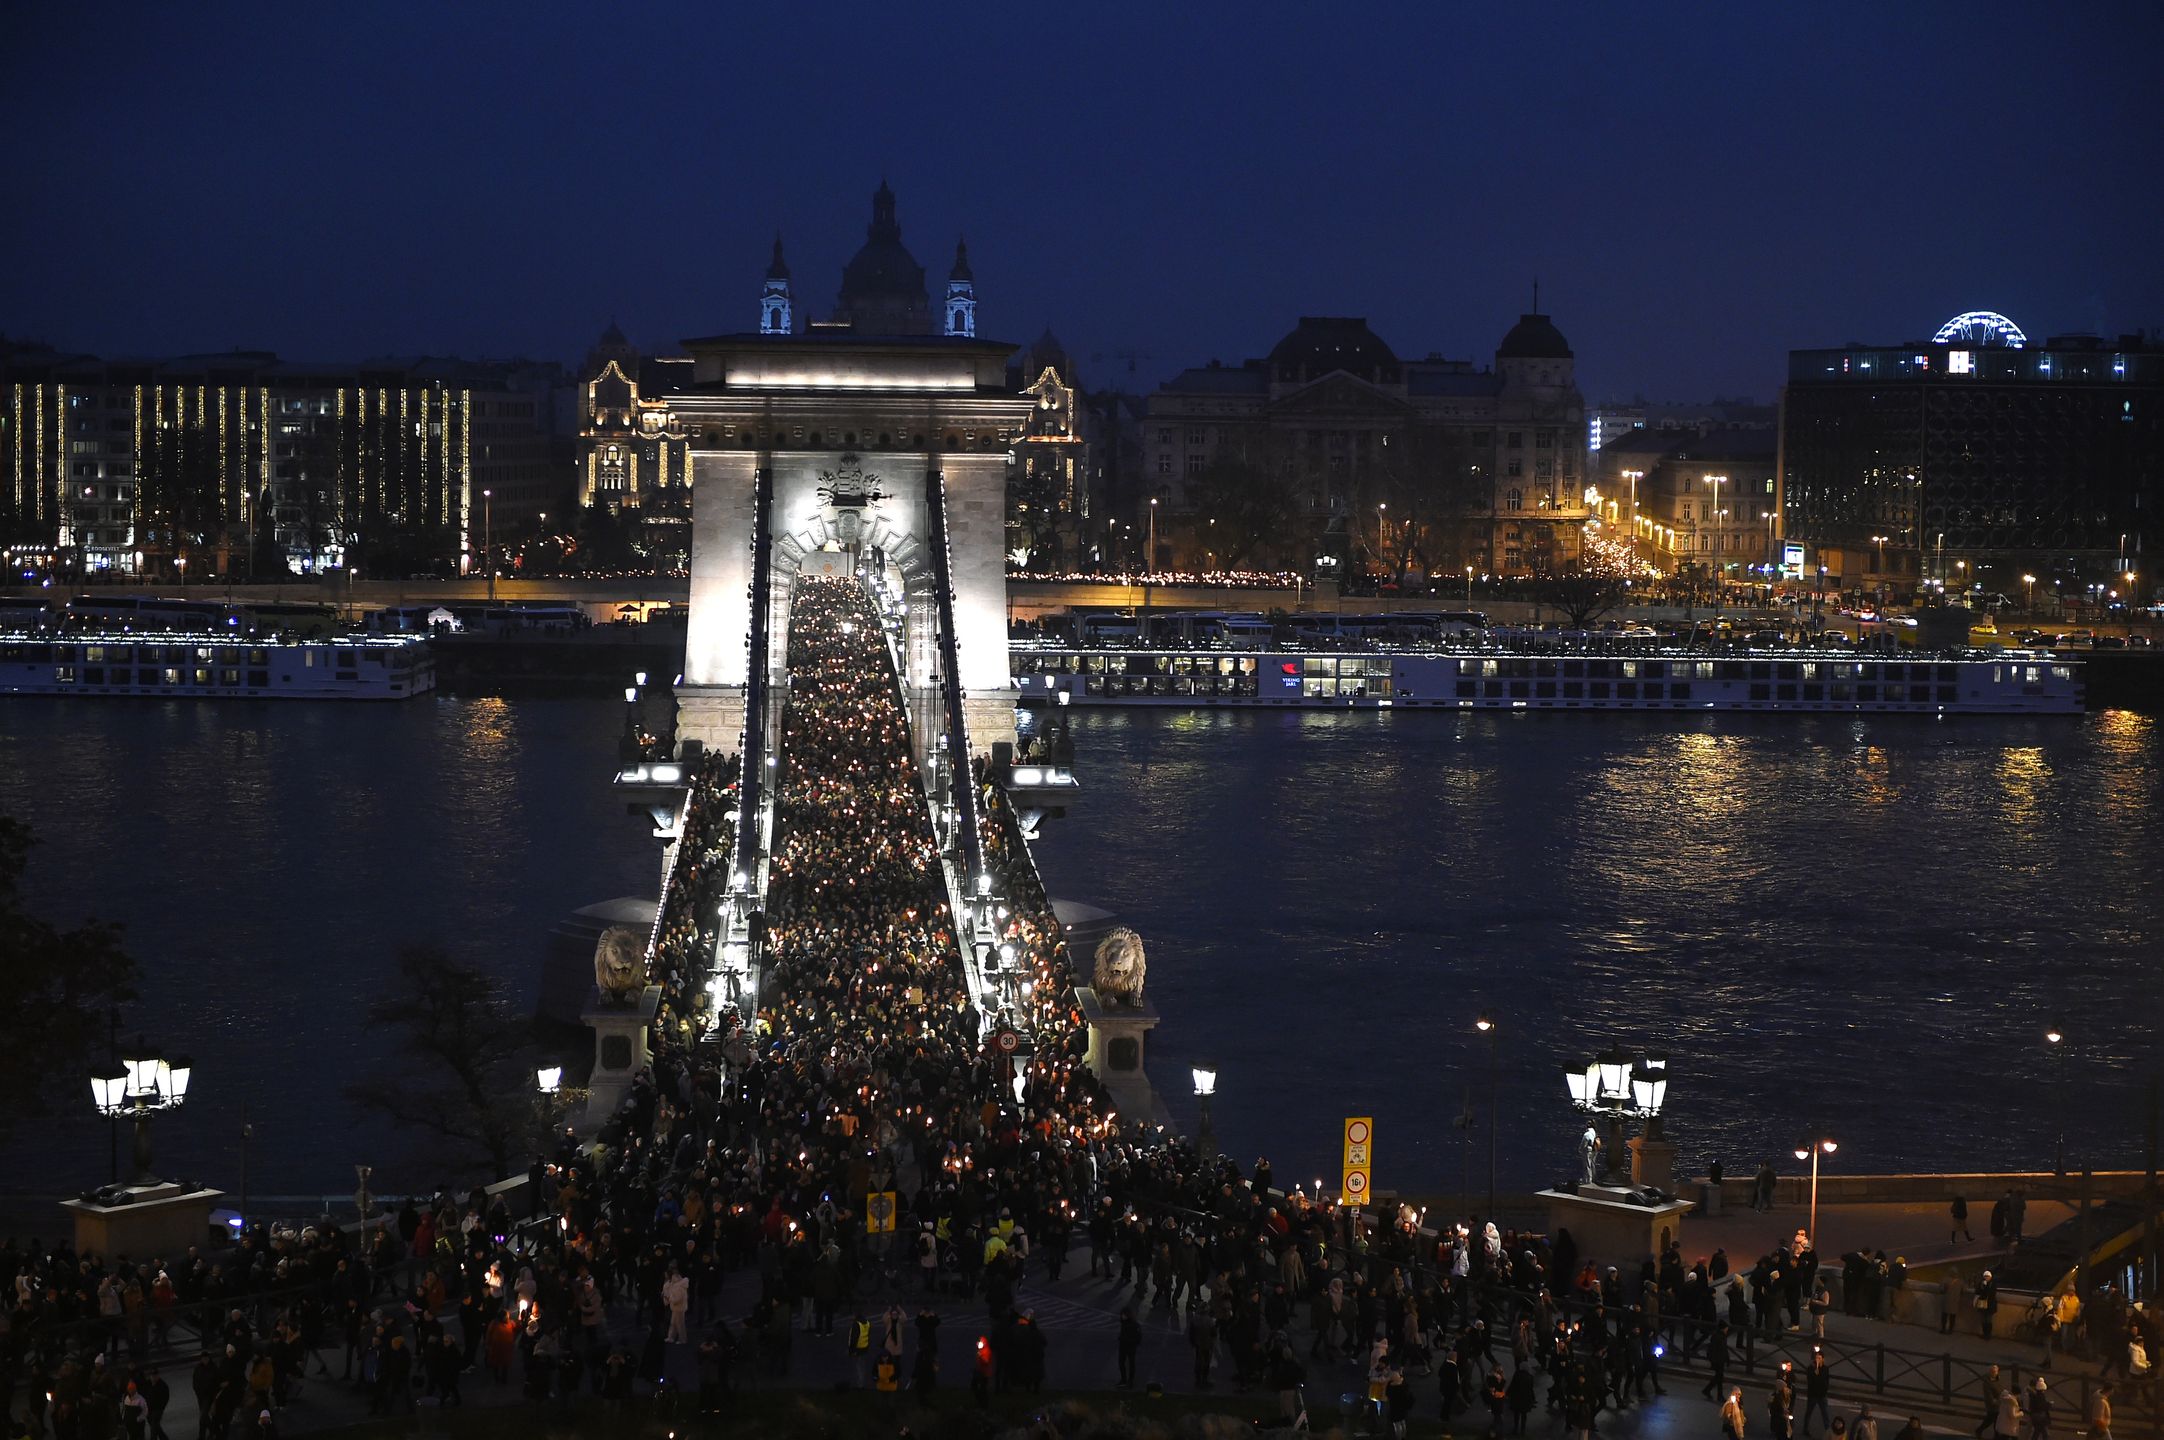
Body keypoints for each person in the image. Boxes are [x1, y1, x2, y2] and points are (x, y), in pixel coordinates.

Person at [1117, 1306, 1141, 1388]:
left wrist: (1131, 1342)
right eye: (1122, 1315)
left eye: (1124, 1315)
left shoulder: (1134, 1325)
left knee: (1131, 1364)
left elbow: (1138, 1337)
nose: (1122, 1316)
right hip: (1123, 1346)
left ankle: (1130, 1380)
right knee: (1122, 1363)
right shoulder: (1124, 1323)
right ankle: (1124, 1380)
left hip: (1130, 1347)